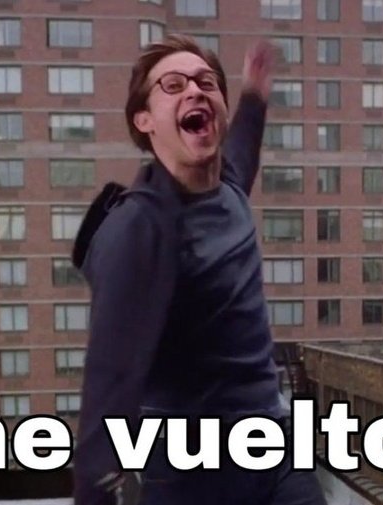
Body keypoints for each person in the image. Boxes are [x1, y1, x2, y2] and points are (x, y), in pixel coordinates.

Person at [72, 34, 327, 505]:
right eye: (173, 85)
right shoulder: (136, 230)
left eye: (206, 83)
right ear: (144, 120)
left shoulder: (229, 188)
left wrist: (253, 93)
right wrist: (95, 489)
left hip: (272, 445)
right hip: (191, 467)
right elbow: (109, 375)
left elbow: (243, 149)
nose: (195, 90)